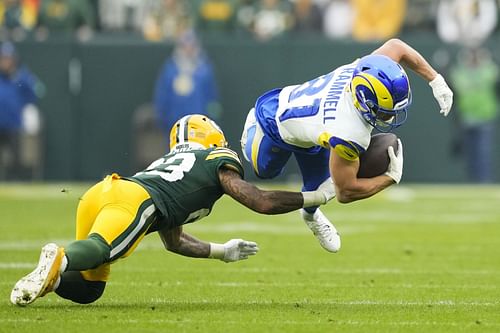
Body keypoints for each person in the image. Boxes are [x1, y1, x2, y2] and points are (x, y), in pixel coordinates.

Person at [10, 114, 335, 306]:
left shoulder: (166, 163)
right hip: (136, 199)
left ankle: (45, 280)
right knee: (99, 250)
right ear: (213, 139)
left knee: (90, 287)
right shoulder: (215, 158)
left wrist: (221, 251)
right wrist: (315, 198)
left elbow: (173, 240)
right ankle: (59, 256)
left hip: (103, 192)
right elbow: (259, 201)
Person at [240, 38, 454, 253]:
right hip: (274, 123)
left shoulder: (362, 70)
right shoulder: (349, 132)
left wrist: (435, 79)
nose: (389, 118)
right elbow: (346, 193)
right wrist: (389, 178)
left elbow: (396, 46)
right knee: (266, 171)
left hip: (315, 130)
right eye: (384, 111)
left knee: (319, 185)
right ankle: (252, 128)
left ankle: (310, 214)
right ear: (364, 100)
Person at [153, 30, 222, 147]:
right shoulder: (170, 70)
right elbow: (161, 96)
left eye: (191, 46)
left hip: (200, 126)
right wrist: (161, 117)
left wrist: (212, 118)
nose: (188, 49)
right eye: (185, 46)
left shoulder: (205, 69)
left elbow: (212, 97)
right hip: (173, 124)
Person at [449, 46, 499, 183]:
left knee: (483, 153)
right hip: (467, 117)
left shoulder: (488, 71)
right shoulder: (461, 73)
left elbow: (493, 74)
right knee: (470, 154)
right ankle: (473, 182)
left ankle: (483, 181)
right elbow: (455, 81)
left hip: (485, 117)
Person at [0, 41, 38, 180]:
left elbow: (35, 92)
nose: (5, 62)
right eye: (3, 58)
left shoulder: (21, 76)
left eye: (8, 58)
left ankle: (14, 182)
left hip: (13, 124)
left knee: (15, 158)